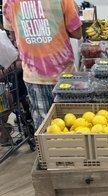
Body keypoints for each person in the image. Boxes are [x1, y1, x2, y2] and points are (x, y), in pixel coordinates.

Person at [3, 0, 82, 128]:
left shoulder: (9, 1)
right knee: (71, 124)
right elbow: (77, 33)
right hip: (64, 74)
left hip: (34, 75)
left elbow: (13, 33)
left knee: (44, 128)